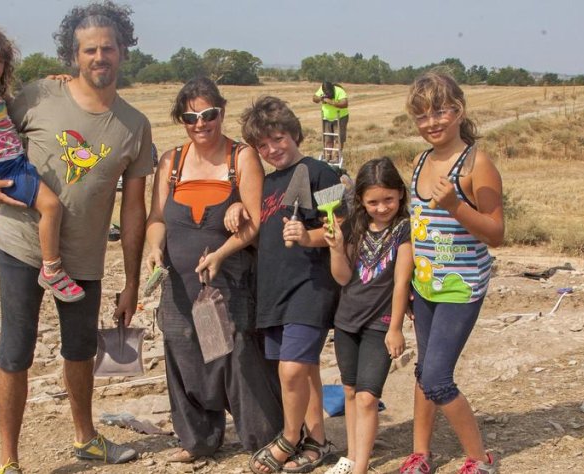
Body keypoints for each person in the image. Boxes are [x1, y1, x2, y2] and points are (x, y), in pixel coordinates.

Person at [0, 2, 153, 473]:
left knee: (81, 350)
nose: (100, 57)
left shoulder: (135, 126)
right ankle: (8, 461)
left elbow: (134, 213)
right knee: (15, 351)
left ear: (123, 51)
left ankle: (86, 439)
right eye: (89, 49)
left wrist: (132, 281)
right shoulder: (36, 96)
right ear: (75, 55)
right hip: (21, 246)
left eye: (108, 48)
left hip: (83, 259)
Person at [144, 77, 282, 463]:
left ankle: (263, 439)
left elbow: (255, 223)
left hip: (226, 280)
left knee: (233, 353)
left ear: (221, 112)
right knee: (184, 348)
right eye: (190, 117)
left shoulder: (242, 158)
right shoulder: (171, 162)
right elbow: (156, 218)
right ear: (181, 120)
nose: (200, 123)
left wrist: (221, 253)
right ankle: (199, 441)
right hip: (180, 284)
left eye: (208, 114)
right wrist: (154, 248)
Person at [400, 71, 504, 474]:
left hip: (461, 289)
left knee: (438, 377)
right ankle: (420, 453)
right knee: (425, 370)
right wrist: (409, 285)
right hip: (425, 287)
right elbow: (416, 230)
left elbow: (496, 233)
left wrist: (455, 206)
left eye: (441, 111)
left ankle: (480, 460)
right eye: (423, 116)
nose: (432, 123)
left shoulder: (478, 164)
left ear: (459, 110)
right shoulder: (421, 160)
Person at [0, 23, 84, 303]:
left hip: (15, 161)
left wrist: (48, 82)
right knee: (51, 206)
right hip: (4, 168)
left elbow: (12, 113)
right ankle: (52, 269)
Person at [241, 96, 341, 474]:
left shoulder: (322, 173)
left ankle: (288, 437)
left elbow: (341, 229)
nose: (272, 149)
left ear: (294, 132)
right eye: (263, 146)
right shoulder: (267, 183)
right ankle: (316, 442)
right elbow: (253, 220)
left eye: (278, 138)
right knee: (307, 368)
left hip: (311, 287)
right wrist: (238, 209)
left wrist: (308, 235)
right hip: (275, 290)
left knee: (291, 371)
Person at [323, 157, 413, 474]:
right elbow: (343, 278)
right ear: (360, 200)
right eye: (373, 201)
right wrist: (335, 248)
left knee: (366, 397)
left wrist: (396, 328)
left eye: (388, 199)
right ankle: (351, 455)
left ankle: (360, 466)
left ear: (400, 194)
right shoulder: (354, 227)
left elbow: (402, 281)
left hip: (381, 324)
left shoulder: (405, 230)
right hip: (346, 320)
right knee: (349, 391)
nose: (381, 207)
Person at [312, 81, 349, 161]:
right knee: (328, 139)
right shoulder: (322, 90)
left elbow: (345, 103)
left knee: (338, 139)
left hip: (340, 118)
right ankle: (328, 157)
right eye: (326, 93)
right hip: (327, 118)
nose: (328, 95)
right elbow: (314, 98)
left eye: (329, 93)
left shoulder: (339, 91)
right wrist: (320, 98)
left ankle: (337, 157)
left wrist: (331, 102)